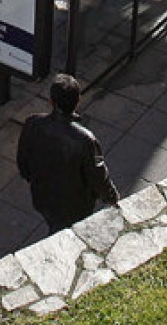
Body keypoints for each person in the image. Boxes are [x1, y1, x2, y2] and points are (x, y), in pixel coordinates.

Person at [17, 73, 119, 234]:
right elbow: (98, 176)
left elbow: (23, 161)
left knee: (55, 226)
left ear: (51, 101)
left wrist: (33, 180)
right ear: (78, 101)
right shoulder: (85, 140)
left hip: (42, 196)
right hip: (74, 206)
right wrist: (111, 197)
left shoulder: (33, 123)